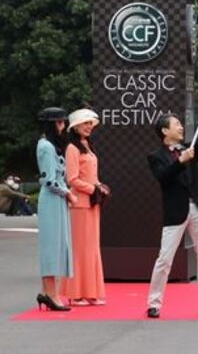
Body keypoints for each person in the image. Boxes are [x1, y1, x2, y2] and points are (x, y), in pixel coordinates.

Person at [145, 98, 198, 319]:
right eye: (176, 124)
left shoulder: (189, 148)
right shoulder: (155, 156)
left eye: (181, 124)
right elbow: (163, 177)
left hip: (197, 207)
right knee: (165, 259)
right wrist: (180, 161)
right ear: (164, 131)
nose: (181, 127)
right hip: (175, 211)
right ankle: (154, 303)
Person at [60, 108, 108, 306]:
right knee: (80, 249)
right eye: (85, 123)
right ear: (75, 126)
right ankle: (75, 293)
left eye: (90, 123)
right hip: (79, 205)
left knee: (91, 248)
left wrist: (99, 187)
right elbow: (71, 178)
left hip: (92, 203)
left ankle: (90, 292)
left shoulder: (87, 145)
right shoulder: (72, 148)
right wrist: (93, 188)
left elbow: (91, 176)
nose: (89, 126)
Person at [35, 107, 77, 311]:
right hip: (52, 198)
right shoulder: (45, 146)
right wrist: (67, 192)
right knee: (52, 245)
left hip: (57, 198)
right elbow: (49, 180)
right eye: (59, 122)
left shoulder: (52, 146)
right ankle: (51, 294)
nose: (63, 126)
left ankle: (48, 293)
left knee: (58, 244)